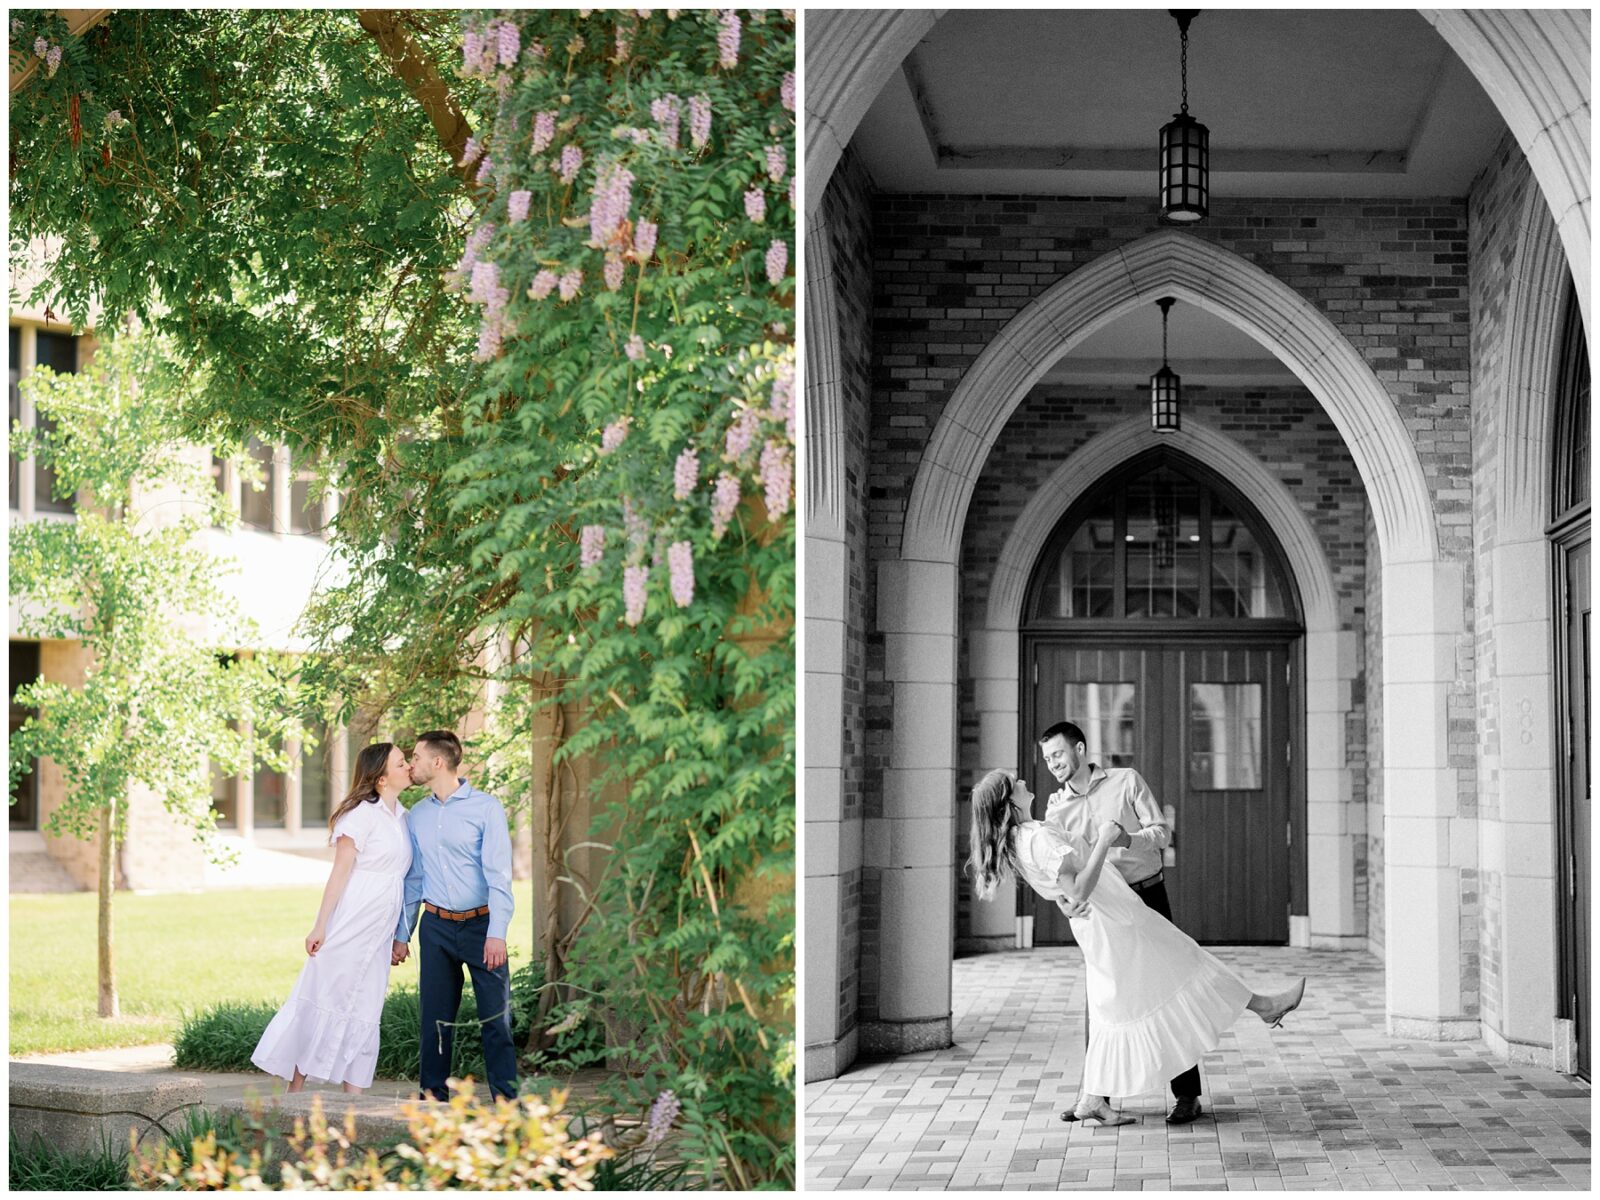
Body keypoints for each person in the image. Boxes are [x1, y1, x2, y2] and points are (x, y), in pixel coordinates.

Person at [968, 768, 1305, 1127]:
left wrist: (1068, 894)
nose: (1023, 782)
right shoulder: (1035, 837)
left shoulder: (1028, 835)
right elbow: (1078, 889)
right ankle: (1264, 1007)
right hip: (1114, 920)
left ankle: (1094, 1097)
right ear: (1008, 800)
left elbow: (1066, 888)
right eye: (1015, 782)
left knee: (1115, 1004)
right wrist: (1104, 839)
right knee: (1186, 964)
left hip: (1111, 916)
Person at [1037, 719, 1202, 1125]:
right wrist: (1064, 903)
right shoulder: (1056, 808)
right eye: (1046, 759)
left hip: (1145, 895)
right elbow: (1058, 869)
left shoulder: (1126, 781)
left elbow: (1162, 834)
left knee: (1166, 993)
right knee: (1104, 1000)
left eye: (1057, 754)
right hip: (1103, 911)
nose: (1052, 764)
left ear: (1079, 750)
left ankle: (1187, 1095)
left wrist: (1126, 839)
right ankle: (1098, 1097)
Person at [252, 742, 414, 1094]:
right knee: (326, 996)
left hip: (381, 928)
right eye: (401, 763)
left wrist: (401, 934)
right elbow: (339, 875)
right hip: (353, 920)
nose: (408, 767)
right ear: (382, 778)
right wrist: (320, 925)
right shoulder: (359, 816)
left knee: (367, 1005)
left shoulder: (403, 817)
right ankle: (295, 1091)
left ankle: (352, 1103)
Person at [391, 729, 518, 1101]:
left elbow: (499, 876)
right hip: (436, 929)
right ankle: (432, 1102)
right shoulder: (417, 816)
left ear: (438, 762)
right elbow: (414, 880)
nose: (411, 764)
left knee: (496, 1021)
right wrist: (403, 934)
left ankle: (507, 1105)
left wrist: (497, 932)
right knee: (435, 1021)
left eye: (416, 757)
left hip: (482, 928)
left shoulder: (486, 808)